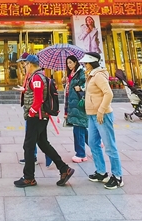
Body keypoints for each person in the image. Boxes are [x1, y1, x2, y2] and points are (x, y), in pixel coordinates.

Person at [14, 54, 74, 188]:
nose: (24, 67)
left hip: (37, 116)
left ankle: (29, 178)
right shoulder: (38, 76)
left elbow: (38, 98)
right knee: (43, 143)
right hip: (40, 116)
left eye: (25, 64)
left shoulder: (37, 77)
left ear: (30, 64)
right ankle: (64, 169)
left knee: (28, 146)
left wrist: (31, 112)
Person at [82, 52, 123, 189]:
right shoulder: (91, 75)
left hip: (102, 115)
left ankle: (117, 176)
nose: (84, 65)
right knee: (93, 143)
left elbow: (108, 93)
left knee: (109, 146)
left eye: (86, 63)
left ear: (91, 63)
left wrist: (101, 110)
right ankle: (101, 172)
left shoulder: (99, 75)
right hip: (92, 115)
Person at [65, 55, 89, 162]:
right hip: (73, 104)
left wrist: (81, 88)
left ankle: (81, 154)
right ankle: (95, 143)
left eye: (70, 62)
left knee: (78, 129)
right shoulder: (71, 74)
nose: (69, 65)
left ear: (75, 62)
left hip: (79, 104)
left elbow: (88, 84)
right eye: (67, 63)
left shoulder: (81, 72)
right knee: (81, 128)